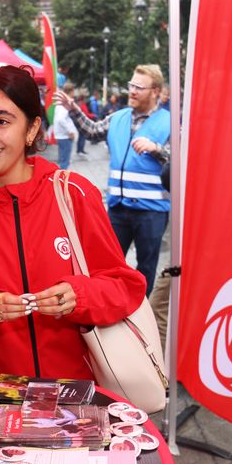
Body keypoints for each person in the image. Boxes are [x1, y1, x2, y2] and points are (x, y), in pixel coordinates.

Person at [0, 66, 147, 413]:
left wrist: (78, 295)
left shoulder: (74, 194)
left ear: (32, 128)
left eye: (2, 121)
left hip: (76, 397)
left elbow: (125, 286)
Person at [54, 65, 171, 297]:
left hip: (152, 211)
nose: (132, 91)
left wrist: (157, 149)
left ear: (155, 91)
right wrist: (74, 110)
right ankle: (113, 307)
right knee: (108, 264)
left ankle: (140, 315)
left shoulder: (170, 122)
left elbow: (182, 159)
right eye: (131, 85)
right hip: (118, 207)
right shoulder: (118, 117)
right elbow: (93, 131)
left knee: (146, 266)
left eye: (139, 87)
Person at [52, 82, 78, 169]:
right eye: (73, 91)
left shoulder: (60, 101)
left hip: (61, 135)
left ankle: (60, 177)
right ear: (71, 91)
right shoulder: (65, 102)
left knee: (62, 159)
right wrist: (70, 131)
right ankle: (62, 179)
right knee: (65, 161)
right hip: (65, 136)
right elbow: (61, 119)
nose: (74, 94)